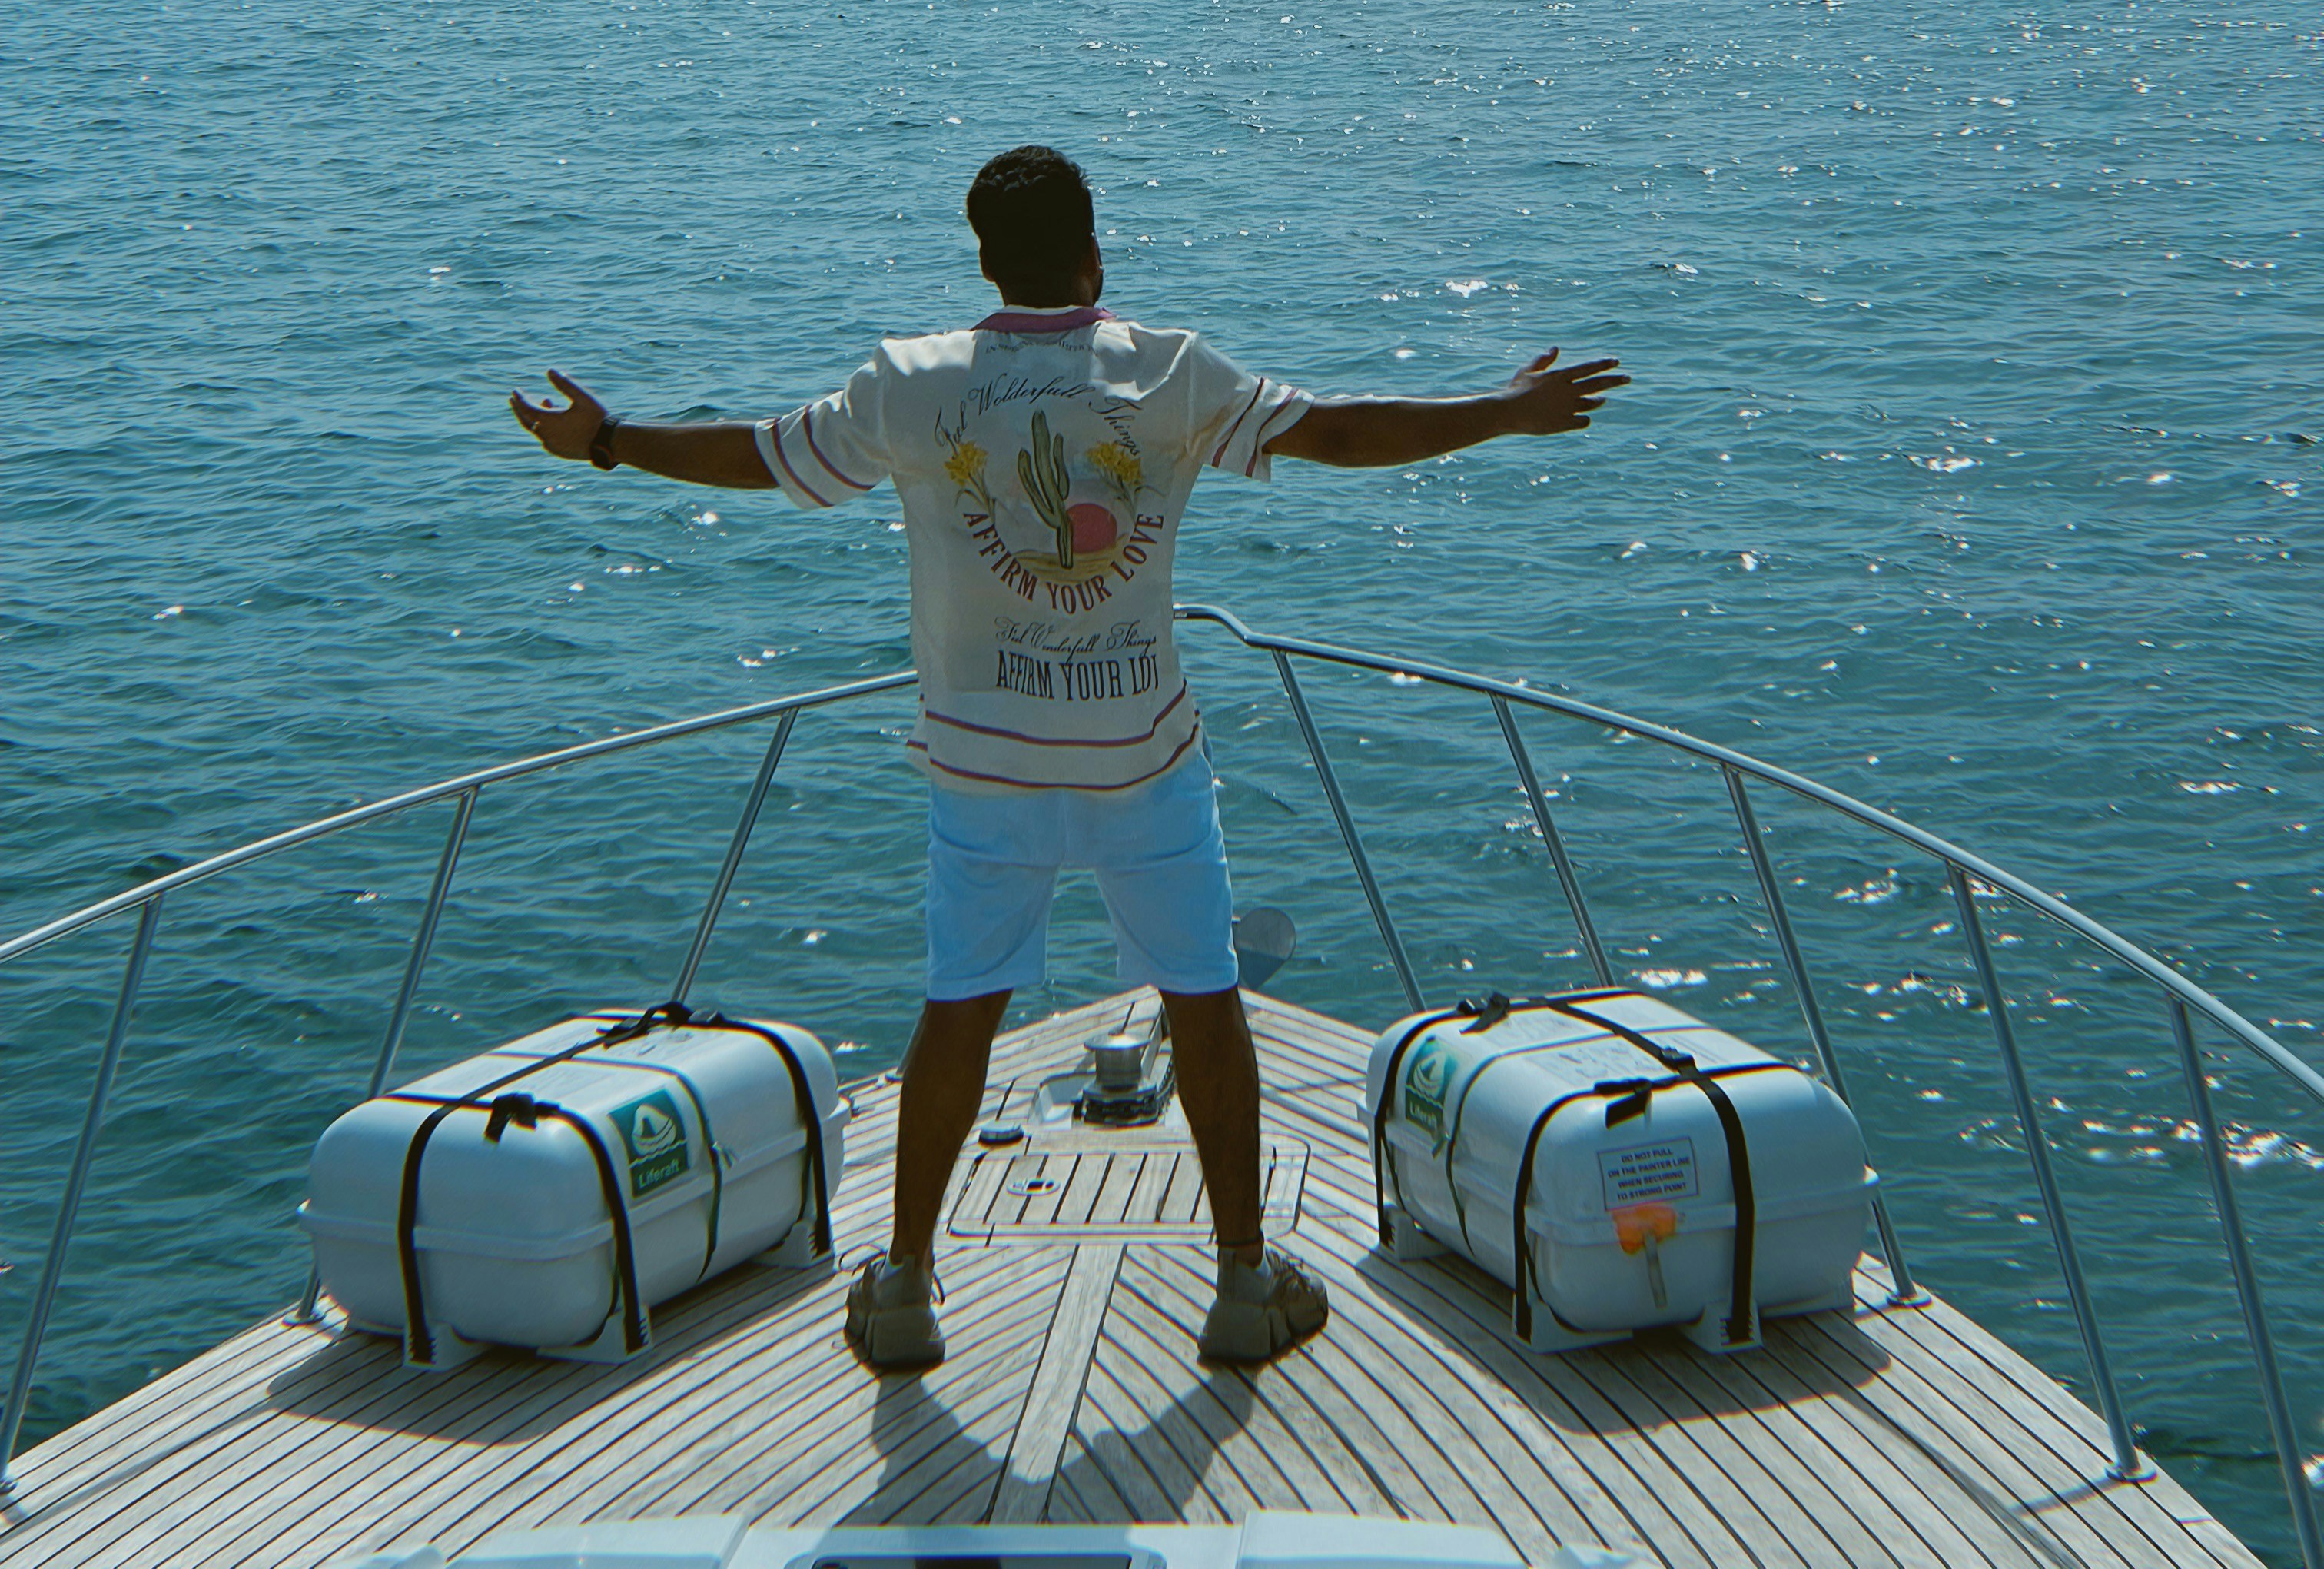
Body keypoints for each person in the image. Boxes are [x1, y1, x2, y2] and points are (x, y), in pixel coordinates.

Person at [511, 143, 1625, 1374]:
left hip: (982, 766)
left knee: (960, 1007)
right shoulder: (1169, 373)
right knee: (1202, 998)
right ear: (1096, 249)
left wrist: (607, 440)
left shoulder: (912, 383)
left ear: (984, 261)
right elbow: (1344, 435)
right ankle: (1245, 1283)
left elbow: (762, 457)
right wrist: (1505, 412)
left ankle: (906, 1288)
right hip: (1143, 757)